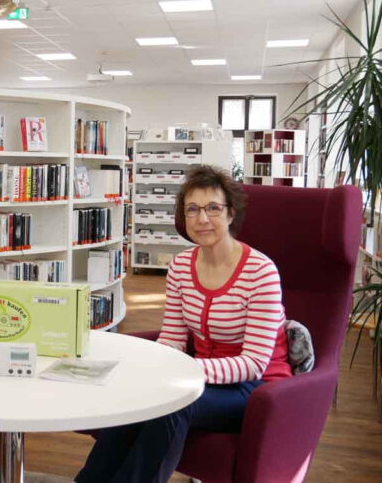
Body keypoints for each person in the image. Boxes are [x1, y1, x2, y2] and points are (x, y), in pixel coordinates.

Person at [76, 165, 292, 483]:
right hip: (200, 375)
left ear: (231, 214)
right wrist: (155, 368)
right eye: (192, 209)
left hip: (255, 390)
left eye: (212, 208)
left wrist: (182, 373)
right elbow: (174, 337)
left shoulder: (261, 272)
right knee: (141, 393)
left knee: (173, 404)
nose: (202, 219)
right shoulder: (180, 266)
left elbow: (255, 364)